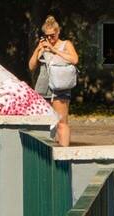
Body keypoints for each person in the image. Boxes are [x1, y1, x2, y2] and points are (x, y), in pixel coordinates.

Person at [28, 16, 79, 146]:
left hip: (60, 88)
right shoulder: (43, 46)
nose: (50, 38)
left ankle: (63, 154)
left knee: (61, 122)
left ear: (58, 32)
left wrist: (53, 49)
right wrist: (38, 49)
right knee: (42, 122)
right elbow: (31, 66)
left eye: (52, 35)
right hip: (42, 88)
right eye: (47, 36)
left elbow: (74, 60)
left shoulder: (65, 44)